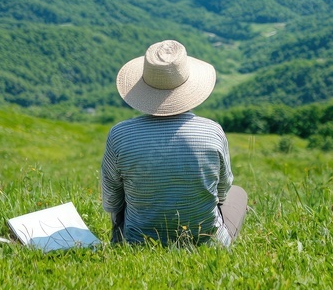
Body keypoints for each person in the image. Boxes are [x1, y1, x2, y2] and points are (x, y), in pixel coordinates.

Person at [100, 40, 248, 246]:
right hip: (203, 241)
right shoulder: (212, 131)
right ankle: (216, 242)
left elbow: (111, 201)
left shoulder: (120, 134)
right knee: (238, 193)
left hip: (138, 242)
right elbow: (221, 193)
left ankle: (122, 240)